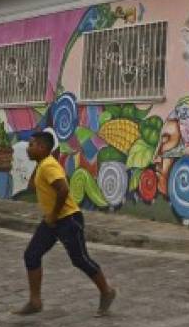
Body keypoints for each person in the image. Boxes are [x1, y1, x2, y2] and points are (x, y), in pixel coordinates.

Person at [13, 131, 116, 317]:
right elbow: (34, 187)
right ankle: (35, 301)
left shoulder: (48, 166)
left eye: (32, 145)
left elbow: (63, 189)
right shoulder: (43, 164)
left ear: (42, 148)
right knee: (31, 255)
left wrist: (53, 215)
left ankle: (107, 291)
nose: (28, 148)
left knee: (80, 260)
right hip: (52, 221)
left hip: (68, 219)